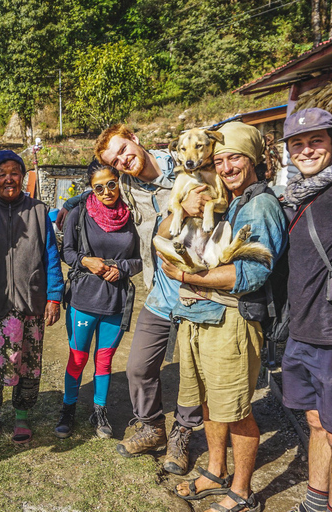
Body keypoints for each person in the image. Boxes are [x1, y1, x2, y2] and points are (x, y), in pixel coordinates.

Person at [159, 122, 286, 512]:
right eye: (221, 160)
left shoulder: (260, 205)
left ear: (254, 160)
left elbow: (253, 272)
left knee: (236, 410)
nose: (227, 166)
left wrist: (185, 275)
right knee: (210, 405)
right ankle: (216, 471)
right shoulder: (224, 197)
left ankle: (243, 492)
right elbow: (166, 233)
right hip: (199, 319)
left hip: (232, 322)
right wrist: (180, 209)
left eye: (235, 158)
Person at [95, 124, 206, 474]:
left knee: (193, 371)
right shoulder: (126, 186)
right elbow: (99, 196)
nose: (124, 160)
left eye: (124, 150)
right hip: (159, 288)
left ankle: (182, 434)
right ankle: (153, 427)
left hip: (198, 287)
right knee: (139, 366)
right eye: (116, 160)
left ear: (136, 140)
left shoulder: (187, 167)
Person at [0, 150, 64, 444]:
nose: (9, 179)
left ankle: (22, 416)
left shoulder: (39, 212)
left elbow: (51, 258)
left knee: (28, 363)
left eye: (14, 173)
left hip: (31, 303)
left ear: (23, 177)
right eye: (2, 173)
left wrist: (54, 296)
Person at [56, 163, 142, 439]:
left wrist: (123, 268)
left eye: (112, 184)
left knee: (104, 361)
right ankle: (68, 409)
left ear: (119, 182)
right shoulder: (79, 214)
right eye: (99, 187)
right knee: (78, 359)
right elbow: (66, 252)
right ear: (91, 189)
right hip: (83, 300)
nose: (107, 191)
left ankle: (100, 410)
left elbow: (140, 260)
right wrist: (85, 261)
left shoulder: (131, 216)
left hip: (116, 302)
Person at [280, 108, 332, 512]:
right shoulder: (299, 196)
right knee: (316, 421)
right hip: (303, 330)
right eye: (298, 143)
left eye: (316, 140)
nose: (307, 149)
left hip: (330, 335)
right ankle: (315, 501)